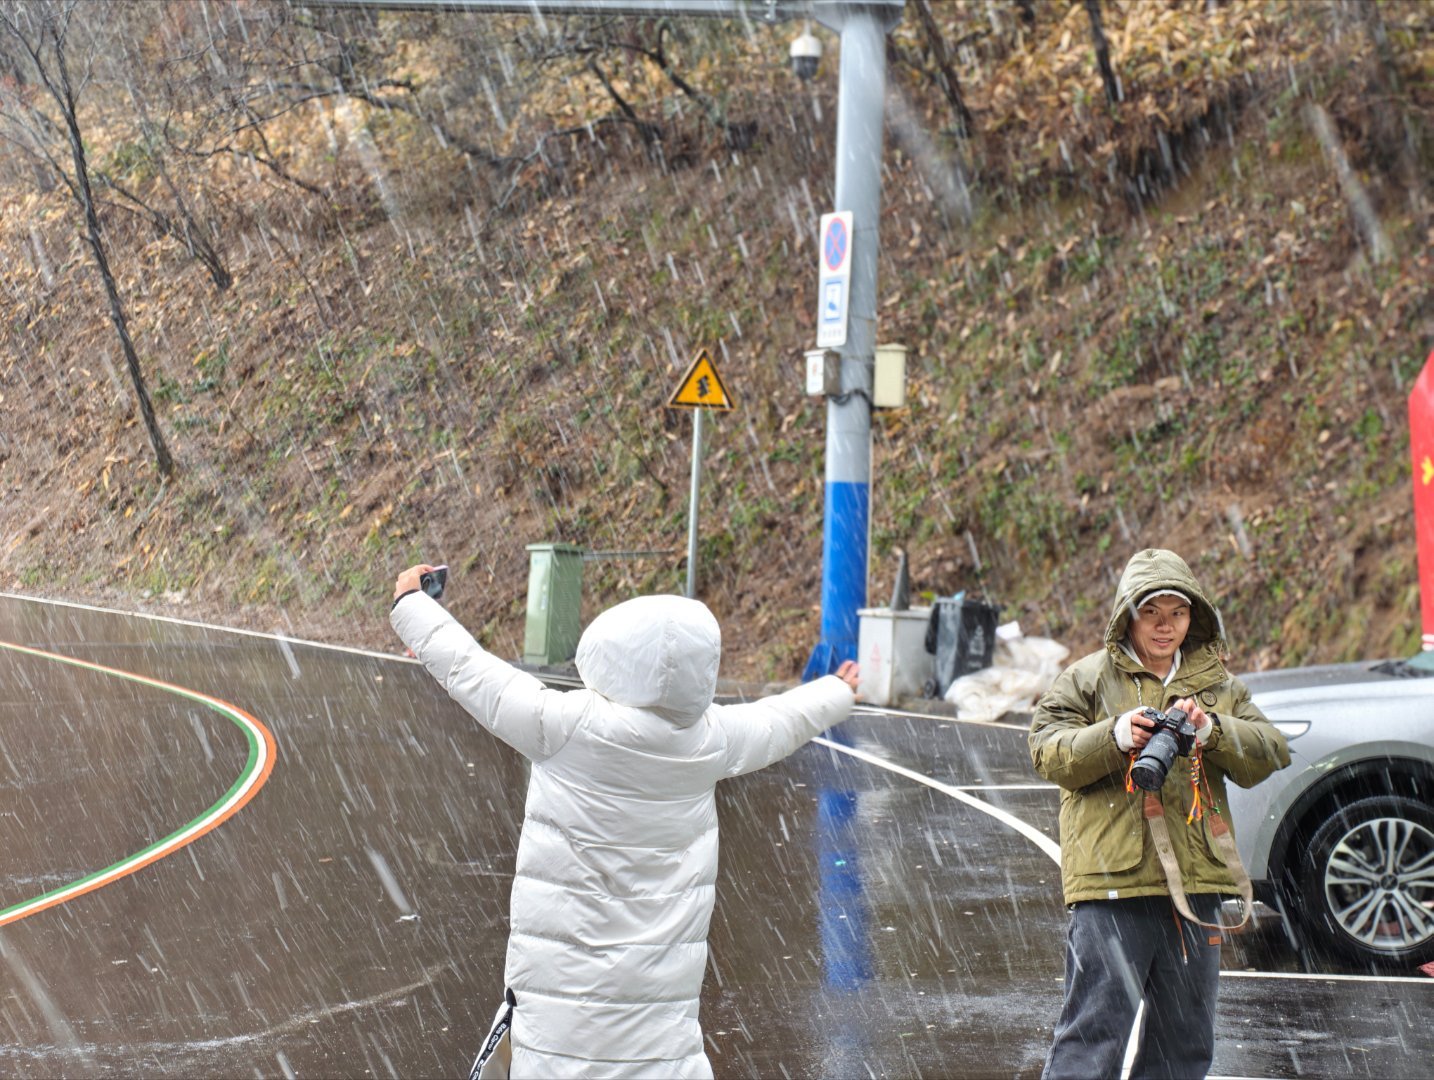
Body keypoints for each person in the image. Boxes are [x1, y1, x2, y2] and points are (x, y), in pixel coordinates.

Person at [390, 564, 859, 1079]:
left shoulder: (562, 725)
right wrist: (837, 690)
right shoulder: (711, 740)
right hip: (662, 1036)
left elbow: (470, 670)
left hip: (561, 1028)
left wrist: (413, 603)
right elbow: (780, 720)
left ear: (609, 655)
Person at [1028, 548, 1290, 1080]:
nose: (1165, 625)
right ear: (1129, 614)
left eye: (1178, 612)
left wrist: (1212, 729)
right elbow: (1045, 750)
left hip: (1197, 885)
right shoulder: (1088, 679)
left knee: (1185, 1043)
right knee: (1093, 1037)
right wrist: (1116, 735)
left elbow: (1271, 750)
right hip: (1112, 886)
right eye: (1152, 612)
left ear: (1194, 616)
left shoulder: (1215, 684)